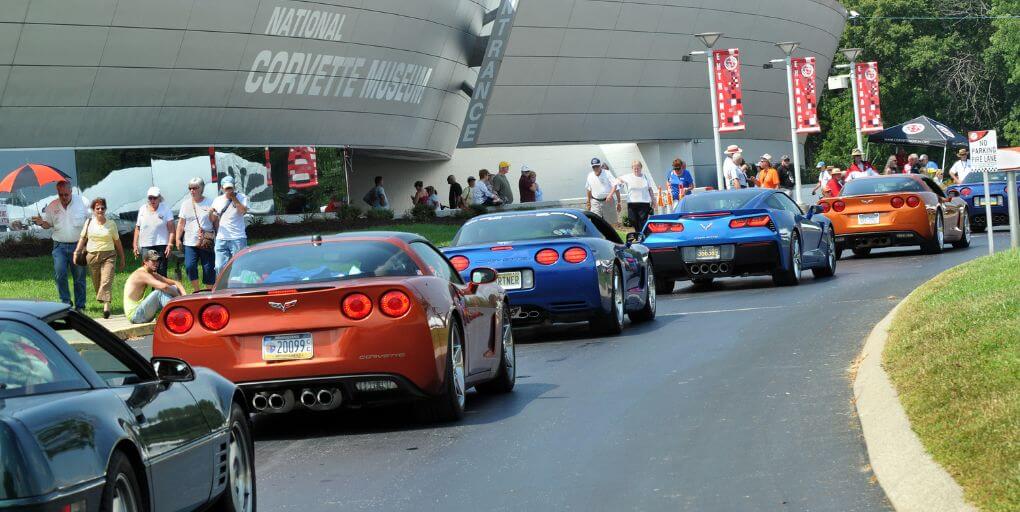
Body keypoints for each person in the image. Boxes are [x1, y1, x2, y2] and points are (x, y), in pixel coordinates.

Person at [32, 180, 90, 311]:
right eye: (60, 194)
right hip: (59, 246)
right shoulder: (52, 206)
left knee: (79, 277)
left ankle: (80, 306)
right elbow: (49, 224)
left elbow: (90, 223)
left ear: (71, 192)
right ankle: (65, 303)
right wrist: (41, 222)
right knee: (60, 274)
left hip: (78, 246)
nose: (63, 197)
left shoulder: (83, 203)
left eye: (66, 194)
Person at [73, 198, 125, 319]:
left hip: (109, 255)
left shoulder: (111, 224)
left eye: (102, 208)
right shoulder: (89, 222)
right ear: (93, 210)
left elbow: (117, 242)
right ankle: (103, 299)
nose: (100, 210)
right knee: (97, 284)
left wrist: (122, 258)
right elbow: (82, 239)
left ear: (105, 209)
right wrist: (77, 252)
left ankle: (106, 307)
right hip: (92, 256)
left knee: (106, 281)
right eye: (97, 208)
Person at [124, 250, 186, 324]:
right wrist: (179, 298)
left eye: (157, 261)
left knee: (173, 287)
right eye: (153, 261)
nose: (156, 263)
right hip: (135, 316)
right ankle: (180, 314)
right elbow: (164, 287)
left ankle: (180, 311)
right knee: (159, 293)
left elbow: (176, 283)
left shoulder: (151, 273)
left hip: (142, 313)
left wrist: (185, 297)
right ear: (145, 262)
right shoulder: (141, 274)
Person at [175, 178, 215, 292]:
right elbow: (181, 223)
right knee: (190, 266)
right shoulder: (185, 204)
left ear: (201, 188)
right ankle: (197, 291)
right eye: (190, 188)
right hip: (190, 242)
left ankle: (209, 291)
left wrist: (218, 236)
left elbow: (215, 221)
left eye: (195, 188)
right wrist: (178, 239)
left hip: (206, 240)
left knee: (208, 268)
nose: (192, 190)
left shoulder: (210, 202)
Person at [209, 176, 249, 274]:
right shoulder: (217, 200)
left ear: (234, 187)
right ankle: (223, 287)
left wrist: (233, 198)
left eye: (230, 188)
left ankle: (239, 287)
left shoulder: (242, 197)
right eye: (226, 188)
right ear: (222, 188)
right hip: (221, 238)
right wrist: (210, 212)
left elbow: (243, 211)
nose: (228, 190)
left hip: (238, 237)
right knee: (219, 267)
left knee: (239, 266)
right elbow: (212, 219)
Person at [133, 187, 174, 277]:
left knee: (161, 272)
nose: (152, 200)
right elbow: (137, 227)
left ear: (159, 198)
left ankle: (159, 291)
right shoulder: (143, 209)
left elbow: (171, 229)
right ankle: (150, 290)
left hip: (161, 244)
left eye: (154, 198)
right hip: (146, 245)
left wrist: (170, 244)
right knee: (147, 273)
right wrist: (135, 245)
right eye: (150, 198)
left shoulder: (166, 209)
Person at [615, 161, 657, 232]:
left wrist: (653, 199)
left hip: (644, 203)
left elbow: (650, 189)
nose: (636, 170)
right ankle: (639, 233)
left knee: (642, 222)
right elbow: (617, 179)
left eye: (638, 168)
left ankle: (641, 236)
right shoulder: (628, 176)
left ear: (641, 168)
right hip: (632, 203)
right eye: (634, 168)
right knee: (632, 220)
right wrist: (620, 183)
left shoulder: (645, 177)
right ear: (632, 168)